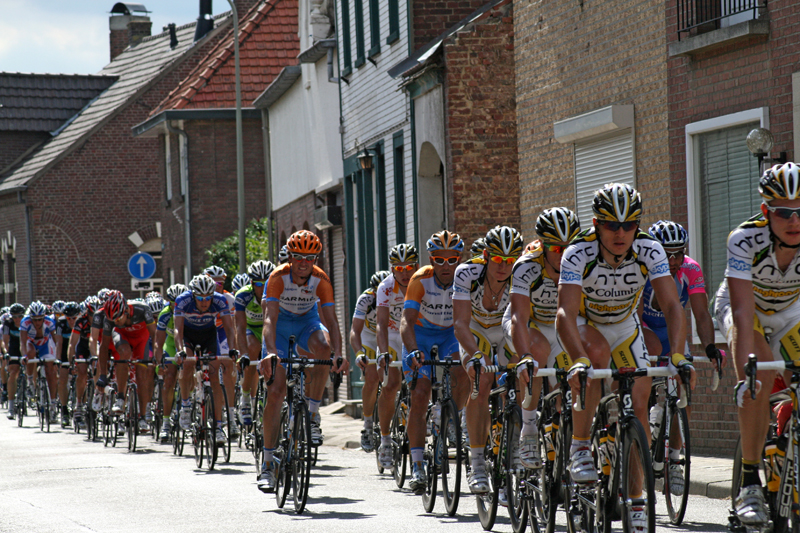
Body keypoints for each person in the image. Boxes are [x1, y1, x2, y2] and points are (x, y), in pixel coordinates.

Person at [556, 183, 696, 532]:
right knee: (595, 359)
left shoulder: (649, 249)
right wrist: (576, 358)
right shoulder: (578, 252)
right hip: (585, 323)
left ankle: (636, 501)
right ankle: (579, 447)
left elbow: (672, 306)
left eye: (629, 225)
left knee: (640, 399)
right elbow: (563, 314)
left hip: (625, 324)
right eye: (611, 225)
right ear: (595, 223)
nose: (621, 233)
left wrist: (678, 354)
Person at [715, 162, 800, 526]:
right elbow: (742, 307)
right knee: (758, 380)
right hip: (746, 310)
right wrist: (743, 373)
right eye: (784, 212)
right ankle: (750, 482)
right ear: (766, 212)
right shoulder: (745, 239)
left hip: (790, 311)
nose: (794, 221)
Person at [640, 220, 725, 496]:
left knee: (685, 386)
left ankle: (675, 458)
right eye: (667, 254)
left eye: (679, 253)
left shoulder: (690, 268)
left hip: (673, 331)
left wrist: (710, 346)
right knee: (651, 362)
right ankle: (651, 413)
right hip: (645, 328)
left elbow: (701, 314)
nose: (674, 260)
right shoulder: (642, 267)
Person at [257, 230, 347, 492]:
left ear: (315, 258)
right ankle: (268, 462)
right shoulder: (276, 277)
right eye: (298, 257)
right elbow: (269, 319)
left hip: (307, 323)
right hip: (280, 326)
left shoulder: (321, 279)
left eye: (310, 258)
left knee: (323, 348)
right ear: (291, 257)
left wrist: (339, 353)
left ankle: (312, 412)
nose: (304, 262)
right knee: (275, 392)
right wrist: (271, 352)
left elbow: (331, 320)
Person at [504, 208, 581, 475]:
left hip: (559, 326)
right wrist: (523, 354)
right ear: (543, 246)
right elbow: (518, 317)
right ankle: (527, 431)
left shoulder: (582, 260)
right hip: (528, 323)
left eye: (568, 247)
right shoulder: (527, 265)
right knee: (535, 354)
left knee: (568, 385)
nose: (563, 254)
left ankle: (568, 444)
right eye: (556, 248)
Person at [453, 225, 524, 494]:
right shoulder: (467, 273)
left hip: (505, 328)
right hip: (475, 329)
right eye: (497, 259)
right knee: (480, 381)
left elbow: (521, 319)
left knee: (518, 381)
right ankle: (478, 463)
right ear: (486, 255)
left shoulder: (520, 274)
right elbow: (459, 324)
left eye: (509, 261)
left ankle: (514, 448)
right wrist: (477, 356)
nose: (503, 266)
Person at [402, 230, 468, 493]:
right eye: (439, 260)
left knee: (463, 367)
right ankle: (417, 466)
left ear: (459, 259)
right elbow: (406, 320)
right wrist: (413, 351)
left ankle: (453, 417)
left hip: (451, 334)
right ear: (431, 259)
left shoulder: (466, 278)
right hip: (422, 335)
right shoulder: (420, 279)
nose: (445, 266)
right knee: (419, 396)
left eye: (452, 260)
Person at [173, 275, 238, 445]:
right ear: (193, 295)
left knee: (215, 377)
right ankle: (186, 406)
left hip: (209, 335)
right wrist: (180, 351)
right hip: (188, 335)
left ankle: (217, 427)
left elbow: (230, 328)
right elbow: (178, 331)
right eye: (200, 298)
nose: (204, 302)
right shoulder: (183, 301)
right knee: (187, 364)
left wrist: (232, 349)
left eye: (208, 298)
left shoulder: (220, 300)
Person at [374, 244, 419, 468]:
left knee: (420, 382)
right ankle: (385, 441)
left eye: (409, 267)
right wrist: (382, 352)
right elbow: (381, 325)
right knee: (391, 383)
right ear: (392, 269)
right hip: (391, 335)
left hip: (411, 333)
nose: (404, 272)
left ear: (416, 266)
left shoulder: (420, 283)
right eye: (399, 268)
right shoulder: (385, 287)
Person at [96, 290, 157, 433]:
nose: (116, 321)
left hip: (141, 339)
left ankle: (143, 417)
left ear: (126, 310)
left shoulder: (143, 309)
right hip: (122, 336)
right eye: (112, 320)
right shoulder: (110, 319)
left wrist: (156, 355)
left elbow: (154, 334)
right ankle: (121, 398)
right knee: (123, 354)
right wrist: (103, 375)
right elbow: (104, 347)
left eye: (118, 318)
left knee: (142, 376)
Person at [351, 270, 390, 451]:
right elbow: (355, 331)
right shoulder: (366, 299)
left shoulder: (397, 293)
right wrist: (359, 352)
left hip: (390, 336)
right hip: (369, 338)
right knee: (373, 379)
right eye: (377, 290)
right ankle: (367, 426)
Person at [234, 260, 275, 426]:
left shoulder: (278, 293)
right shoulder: (243, 296)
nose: (263, 287)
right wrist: (243, 354)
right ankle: (244, 399)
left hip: (269, 328)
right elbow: (240, 327)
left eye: (267, 283)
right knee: (252, 349)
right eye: (259, 284)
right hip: (252, 328)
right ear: (252, 283)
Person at [152, 284, 187, 441]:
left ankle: (189, 402)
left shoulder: (190, 310)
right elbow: (158, 342)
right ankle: (166, 422)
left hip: (188, 343)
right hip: (172, 344)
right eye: (173, 302)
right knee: (169, 378)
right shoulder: (165, 314)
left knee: (190, 372)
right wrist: (161, 364)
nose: (176, 306)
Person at [20, 301, 60, 422]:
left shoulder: (49, 322)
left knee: (51, 372)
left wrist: (57, 358)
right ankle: (30, 381)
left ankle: (52, 405)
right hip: (31, 344)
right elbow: (22, 343)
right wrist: (24, 356)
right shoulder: (25, 323)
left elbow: (56, 341)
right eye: (35, 319)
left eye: (40, 319)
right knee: (30, 354)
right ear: (30, 318)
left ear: (44, 317)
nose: (37, 322)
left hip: (45, 345)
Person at [4, 303, 26, 419]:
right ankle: (11, 406)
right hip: (13, 348)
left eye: (20, 316)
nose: (17, 319)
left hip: (26, 347)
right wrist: (6, 353)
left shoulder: (27, 322)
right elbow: (5, 341)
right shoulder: (8, 323)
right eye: (14, 316)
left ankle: (33, 388)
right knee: (13, 372)